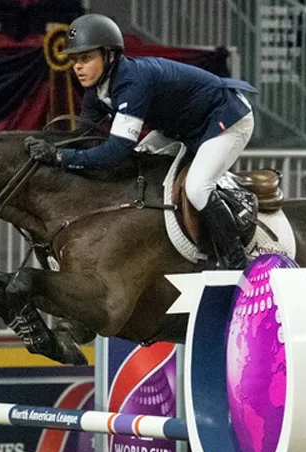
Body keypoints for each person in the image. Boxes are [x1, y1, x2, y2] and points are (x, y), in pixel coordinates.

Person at [24, 14, 257, 270]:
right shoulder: (96, 89)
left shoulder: (133, 81)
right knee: (139, 161)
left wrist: (59, 157)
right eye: (75, 60)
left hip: (226, 117)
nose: (77, 67)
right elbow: (83, 140)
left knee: (198, 187)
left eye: (85, 58)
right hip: (184, 129)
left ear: (110, 56)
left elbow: (116, 150)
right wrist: (52, 150)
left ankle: (237, 259)